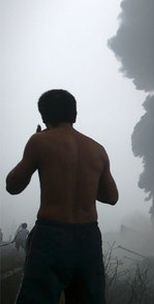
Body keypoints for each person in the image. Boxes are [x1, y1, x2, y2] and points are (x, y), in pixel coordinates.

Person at [6, 89, 119, 304]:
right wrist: (84, 181)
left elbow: (13, 186)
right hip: (89, 238)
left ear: (44, 117)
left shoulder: (40, 141)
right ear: (74, 115)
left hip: (51, 235)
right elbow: (111, 197)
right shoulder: (98, 150)